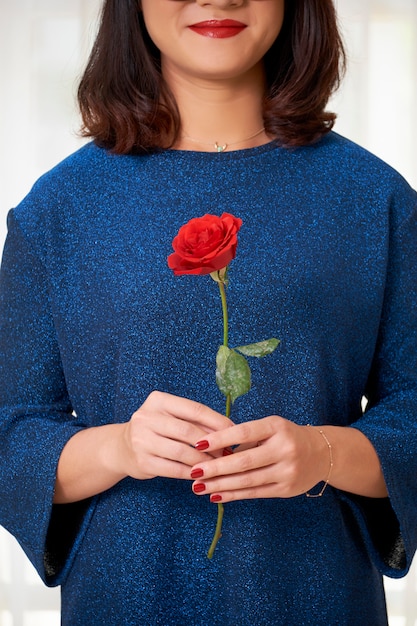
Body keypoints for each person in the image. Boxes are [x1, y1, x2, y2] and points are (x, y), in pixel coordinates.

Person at [0, 0, 416, 624]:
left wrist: (324, 453)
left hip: (318, 598)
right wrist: (119, 449)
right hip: (125, 597)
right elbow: (10, 431)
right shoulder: (60, 209)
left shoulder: (375, 198)